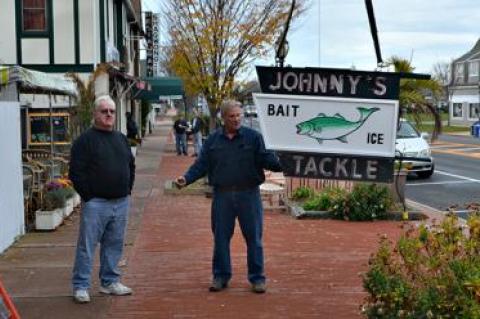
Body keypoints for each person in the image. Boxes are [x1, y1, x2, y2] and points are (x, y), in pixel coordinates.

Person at [175, 100, 283, 294]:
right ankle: (221, 276)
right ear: (223, 118)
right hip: (222, 196)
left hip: (248, 194)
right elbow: (201, 165)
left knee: (254, 239)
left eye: (239, 115)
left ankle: (257, 278)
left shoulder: (254, 138)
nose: (236, 119)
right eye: (232, 116)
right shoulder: (213, 141)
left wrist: (288, 161)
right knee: (221, 239)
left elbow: (269, 160)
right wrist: (186, 179)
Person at [69, 95, 135, 303]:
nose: (108, 115)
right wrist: (88, 196)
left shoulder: (121, 138)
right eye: (104, 111)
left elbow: (130, 165)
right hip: (96, 203)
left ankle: (109, 282)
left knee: (114, 245)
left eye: (112, 111)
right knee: (87, 246)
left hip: (121, 201)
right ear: (95, 114)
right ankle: (81, 286)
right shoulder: (84, 141)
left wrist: (128, 189)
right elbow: (76, 172)